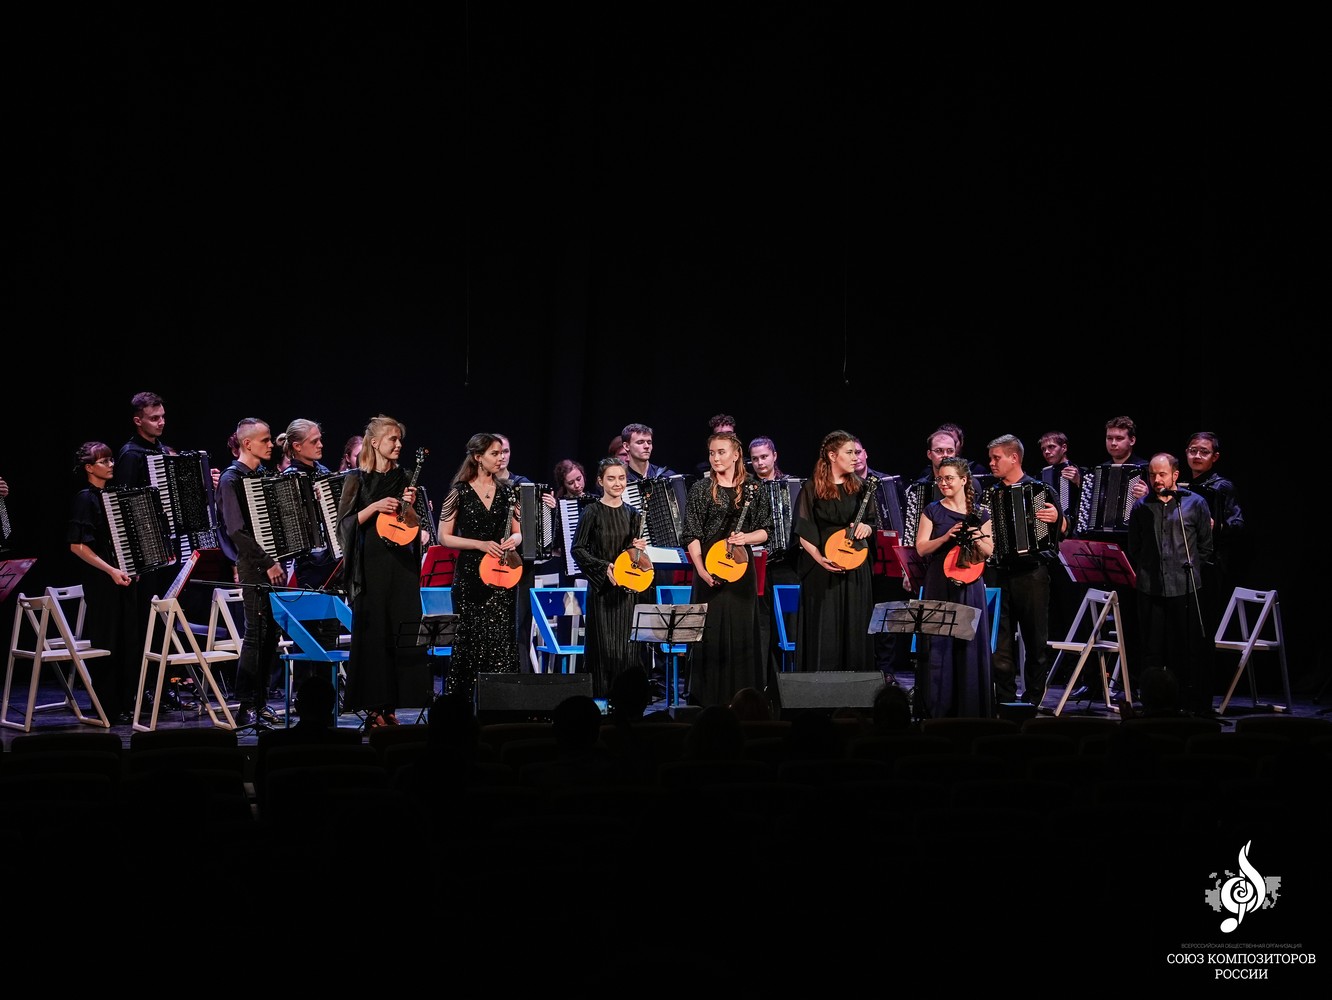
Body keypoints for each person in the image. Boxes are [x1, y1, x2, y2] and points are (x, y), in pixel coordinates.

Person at [335, 414, 434, 728]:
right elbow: (344, 526)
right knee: (374, 634)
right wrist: (374, 507)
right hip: (371, 567)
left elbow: (418, 528)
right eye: (393, 438)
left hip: (401, 566)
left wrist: (412, 510)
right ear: (375, 442)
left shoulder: (407, 477)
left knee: (401, 631)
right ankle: (375, 707)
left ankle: (393, 706)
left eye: (400, 439)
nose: (398, 444)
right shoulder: (357, 478)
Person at [681, 431, 772, 707]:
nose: (715, 458)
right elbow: (691, 534)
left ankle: (743, 698)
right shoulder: (701, 489)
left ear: (736, 454)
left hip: (740, 568)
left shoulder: (753, 488)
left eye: (721, 452)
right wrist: (701, 571)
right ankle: (708, 698)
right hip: (708, 568)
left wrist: (746, 537)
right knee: (710, 631)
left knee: (742, 630)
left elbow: (766, 530)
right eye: (712, 453)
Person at [437, 432, 523, 701]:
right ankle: (461, 705)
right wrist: (480, 544)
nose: (500, 458)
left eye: (502, 453)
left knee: (500, 640)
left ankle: (499, 704)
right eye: (494, 454)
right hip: (470, 576)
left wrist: (512, 541)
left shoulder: (508, 492)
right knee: (469, 641)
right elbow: (443, 537)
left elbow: (519, 533)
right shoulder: (458, 492)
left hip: (502, 573)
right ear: (477, 457)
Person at [1127, 452, 1214, 716]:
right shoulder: (1141, 507)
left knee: (1185, 648)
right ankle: (1152, 703)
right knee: (1151, 648)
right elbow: (1135, 547)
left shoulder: (1195, 503)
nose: (1156, 479)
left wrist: (1187, 568)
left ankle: (1189, 702)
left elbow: (1205, 547)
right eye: (1152, 474)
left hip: (1184, 587)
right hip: (1150, 587)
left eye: (1162, 474)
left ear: (1175, 475)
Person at [982, 434, 1066, 706]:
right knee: (1000, 641)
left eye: (996, 458)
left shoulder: (1039, 489)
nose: (991, 463)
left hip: (1032, 573)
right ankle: (1005, 698)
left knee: (1035, 640)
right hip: (998, 572)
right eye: (991, 458)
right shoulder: (990, 493)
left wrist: (1058, 519)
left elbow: (1064, 530)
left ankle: (1033, 699)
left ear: (1014, 458)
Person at [215, 417, 287, 728]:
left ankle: (261, 701)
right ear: (247, 443)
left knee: (272, 634)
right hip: (254, 565)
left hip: (272, 563)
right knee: (256, 635)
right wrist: (267, 562)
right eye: (265, 440)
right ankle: (246, 706)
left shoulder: (260, 476)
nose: (270, 445)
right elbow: (236, 530)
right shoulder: (231, 479)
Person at [65, 442, 140, 724]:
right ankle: (106, 706)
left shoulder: (109, 495)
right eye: (104, 461)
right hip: (101, 580)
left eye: (111, 460)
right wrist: (111, 571)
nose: (111, 465)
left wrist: (130, 567)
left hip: (120, 577)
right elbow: (77, 545)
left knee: (126, 641)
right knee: (108, 641)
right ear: (89, 467)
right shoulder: (85, 498)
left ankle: (124, 703)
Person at [915, 456, 995, 719]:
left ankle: (969, 708)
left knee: (968, 644)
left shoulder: (981, 513)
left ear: (963, 480)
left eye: (949, 478)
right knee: (939, 644)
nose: (943, 483)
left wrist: (977, 537)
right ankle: (938, 709)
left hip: (970, 583)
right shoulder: (932, 510)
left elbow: (989, 552)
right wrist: (945, 537)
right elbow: (921, 548)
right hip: (939, 582)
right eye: (940, 479)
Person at [792, 430, 878, 674]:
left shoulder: (862, 488)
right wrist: (820, 559)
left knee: (855, 628)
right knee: (825, 629)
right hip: (823, 569)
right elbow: (803, 530)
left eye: (856, 452)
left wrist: (866, 529)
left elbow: (871, 523)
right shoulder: (812, 488)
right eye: (849, 453)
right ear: (832, 455)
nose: (855, 458)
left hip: (855, 568)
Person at [569, 457, 647, 699]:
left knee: (628, 652)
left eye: (621, 478)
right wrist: (603, 567)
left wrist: (638, 549)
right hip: (602, 592)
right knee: (603, 652)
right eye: (611, 478)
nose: (617, 483)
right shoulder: (591, 512)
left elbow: (635, 557)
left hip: (628, 593)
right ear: (600, 481)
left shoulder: (633, 514)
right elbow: (577, 549)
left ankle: (627, 704)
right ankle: (601, 706)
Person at [749, 435, 799, 685]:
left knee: (789, 622)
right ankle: (764, 679)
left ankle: (791, 678)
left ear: (774, 456)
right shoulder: (748, 488)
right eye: (755, 459)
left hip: (787, 563)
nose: (760, 463)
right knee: (761, 622)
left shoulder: (790, 484)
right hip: (757, 563)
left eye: (764, 457)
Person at [278, 418, 341, 592]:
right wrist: (309, 504)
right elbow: (288, 529)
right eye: (314, 441)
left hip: (335, 555)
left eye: (320, 439)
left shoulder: (323, 471)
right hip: (310, 564)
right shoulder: (288, 479)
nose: (320, 445)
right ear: (297, 446)